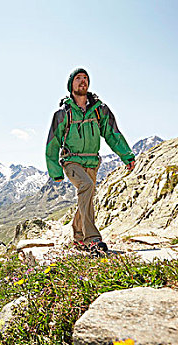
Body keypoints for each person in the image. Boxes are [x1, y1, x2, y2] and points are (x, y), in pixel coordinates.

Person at [45, 68, 135, 253]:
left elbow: (112, 134)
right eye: (78, 78)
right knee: (86, 187)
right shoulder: (63, 114)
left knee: (86, 197)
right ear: (71, 85)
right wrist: (55, 171)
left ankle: (78, 236)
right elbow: (53, 143)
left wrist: (126, 156)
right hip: (71, 161)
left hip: (92, 162)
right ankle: (92, 239)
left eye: (85, 78)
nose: (83, 81)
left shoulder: (100, 110)